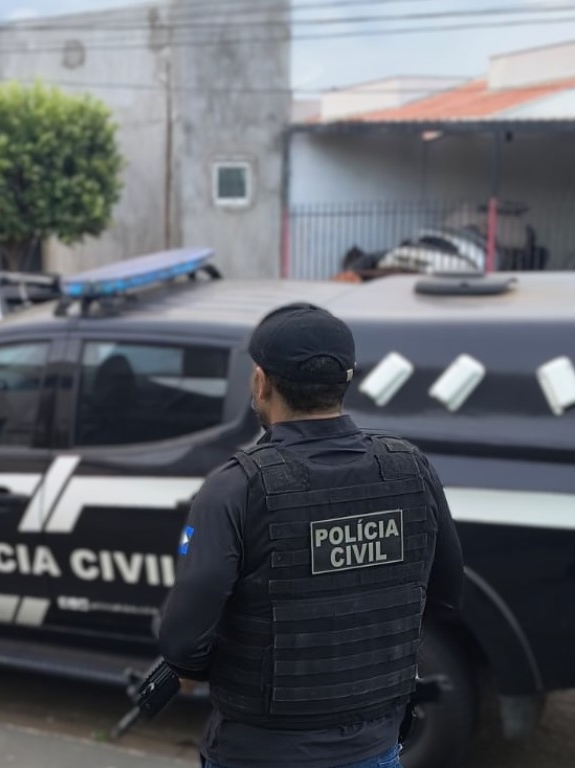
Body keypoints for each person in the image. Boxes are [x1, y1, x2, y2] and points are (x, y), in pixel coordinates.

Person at [158, 303, 464, 768]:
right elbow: (445, 594)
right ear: (346, 380)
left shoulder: (234, 488)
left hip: (259, 753)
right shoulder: (410, 468)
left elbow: (183, 642)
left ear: (261, 381)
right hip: (375, 748)